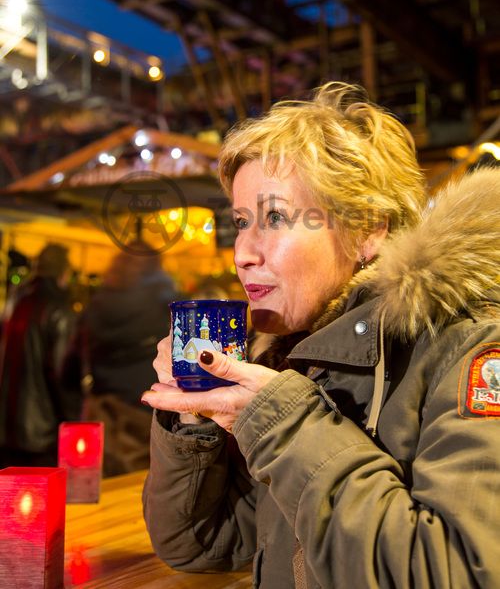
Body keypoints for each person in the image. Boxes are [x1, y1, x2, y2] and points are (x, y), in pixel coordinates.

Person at [140, 83, 500, 589]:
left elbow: (459, 572)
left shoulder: (470, 349)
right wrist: (197, 415)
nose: (243, 251)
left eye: (275, 218)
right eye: (241, 222)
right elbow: (204, 544)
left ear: (367, 231)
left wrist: (280, 422)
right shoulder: (302, 357)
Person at [79, 240, 177, 475]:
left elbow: (76, 355)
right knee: (152, 477)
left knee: (112, 475)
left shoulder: (99, 302)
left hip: (108, 405)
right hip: (150, 402)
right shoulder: (164, 301)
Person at [0, 243, 81, 467]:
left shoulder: (16, 301)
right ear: (63, 273)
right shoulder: (58, 310)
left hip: (8, 427)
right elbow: (62, 374)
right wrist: (75, 420)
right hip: (41, 431)